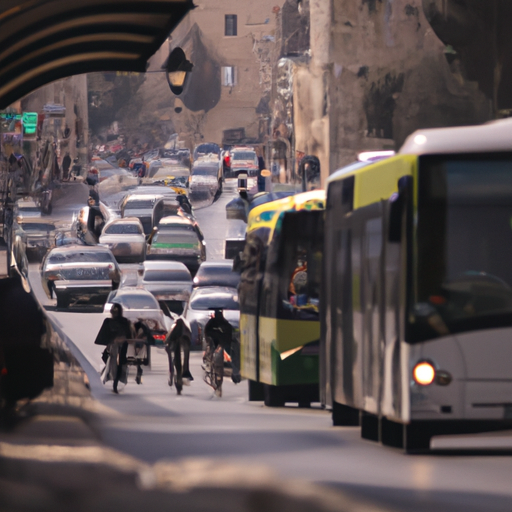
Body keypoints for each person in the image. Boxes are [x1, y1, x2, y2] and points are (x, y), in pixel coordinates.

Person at [94, 303, 134, 393]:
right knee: (109, 357)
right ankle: (113, 375)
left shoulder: (114, 321)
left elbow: (128, 336)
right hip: (115, 345)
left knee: (119, 360)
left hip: (121, 345)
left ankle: (116, 377)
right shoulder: (115, 321)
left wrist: (121, 339)